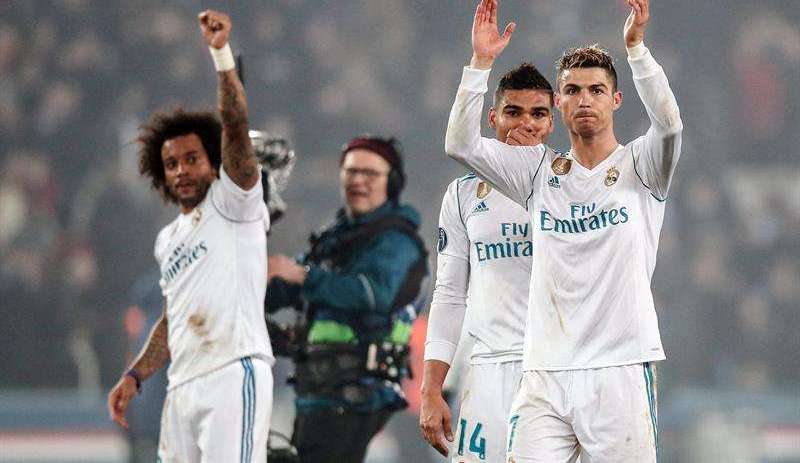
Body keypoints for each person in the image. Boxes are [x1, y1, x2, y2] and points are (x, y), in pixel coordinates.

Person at [445, 0, 682, 461]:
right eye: (572, 90)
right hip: (545, 373)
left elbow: (670, 126)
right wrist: (480, 64)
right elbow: (460, 144)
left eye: (596, 90)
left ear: (616, 100)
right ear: (559, 102)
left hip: (619, 368)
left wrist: (637, 51)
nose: (584, 99)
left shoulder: (642, 165)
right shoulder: (537, 171)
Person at [107, 10, 274, 463]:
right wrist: (136, 375)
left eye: (192, 159)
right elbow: (172, 318)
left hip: (232, 371)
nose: (181, 170)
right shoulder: (168, 240)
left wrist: (221, 56)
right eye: (172, 163)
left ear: (213, 162)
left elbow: (235, 123)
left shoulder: (234, 202)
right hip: (182, 385)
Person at [419, 63, 554, 462]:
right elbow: (449, 295)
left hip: (554, 369)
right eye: (514, 111)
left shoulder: (570, 184)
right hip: (486, 370)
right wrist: (431, 389)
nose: (526, 123)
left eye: (538, 114)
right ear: (492, 117)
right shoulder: (461, 195)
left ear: (551, 123)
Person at [266, 136, 429, 462]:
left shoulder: (397, 243)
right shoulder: (334, 238)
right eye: (351, 171)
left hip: (358, 395)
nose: (358, 180)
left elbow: (371, 294)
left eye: (370, 173)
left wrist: (302, 276)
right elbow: (288, 287)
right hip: (317, 389)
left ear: (392, 182)